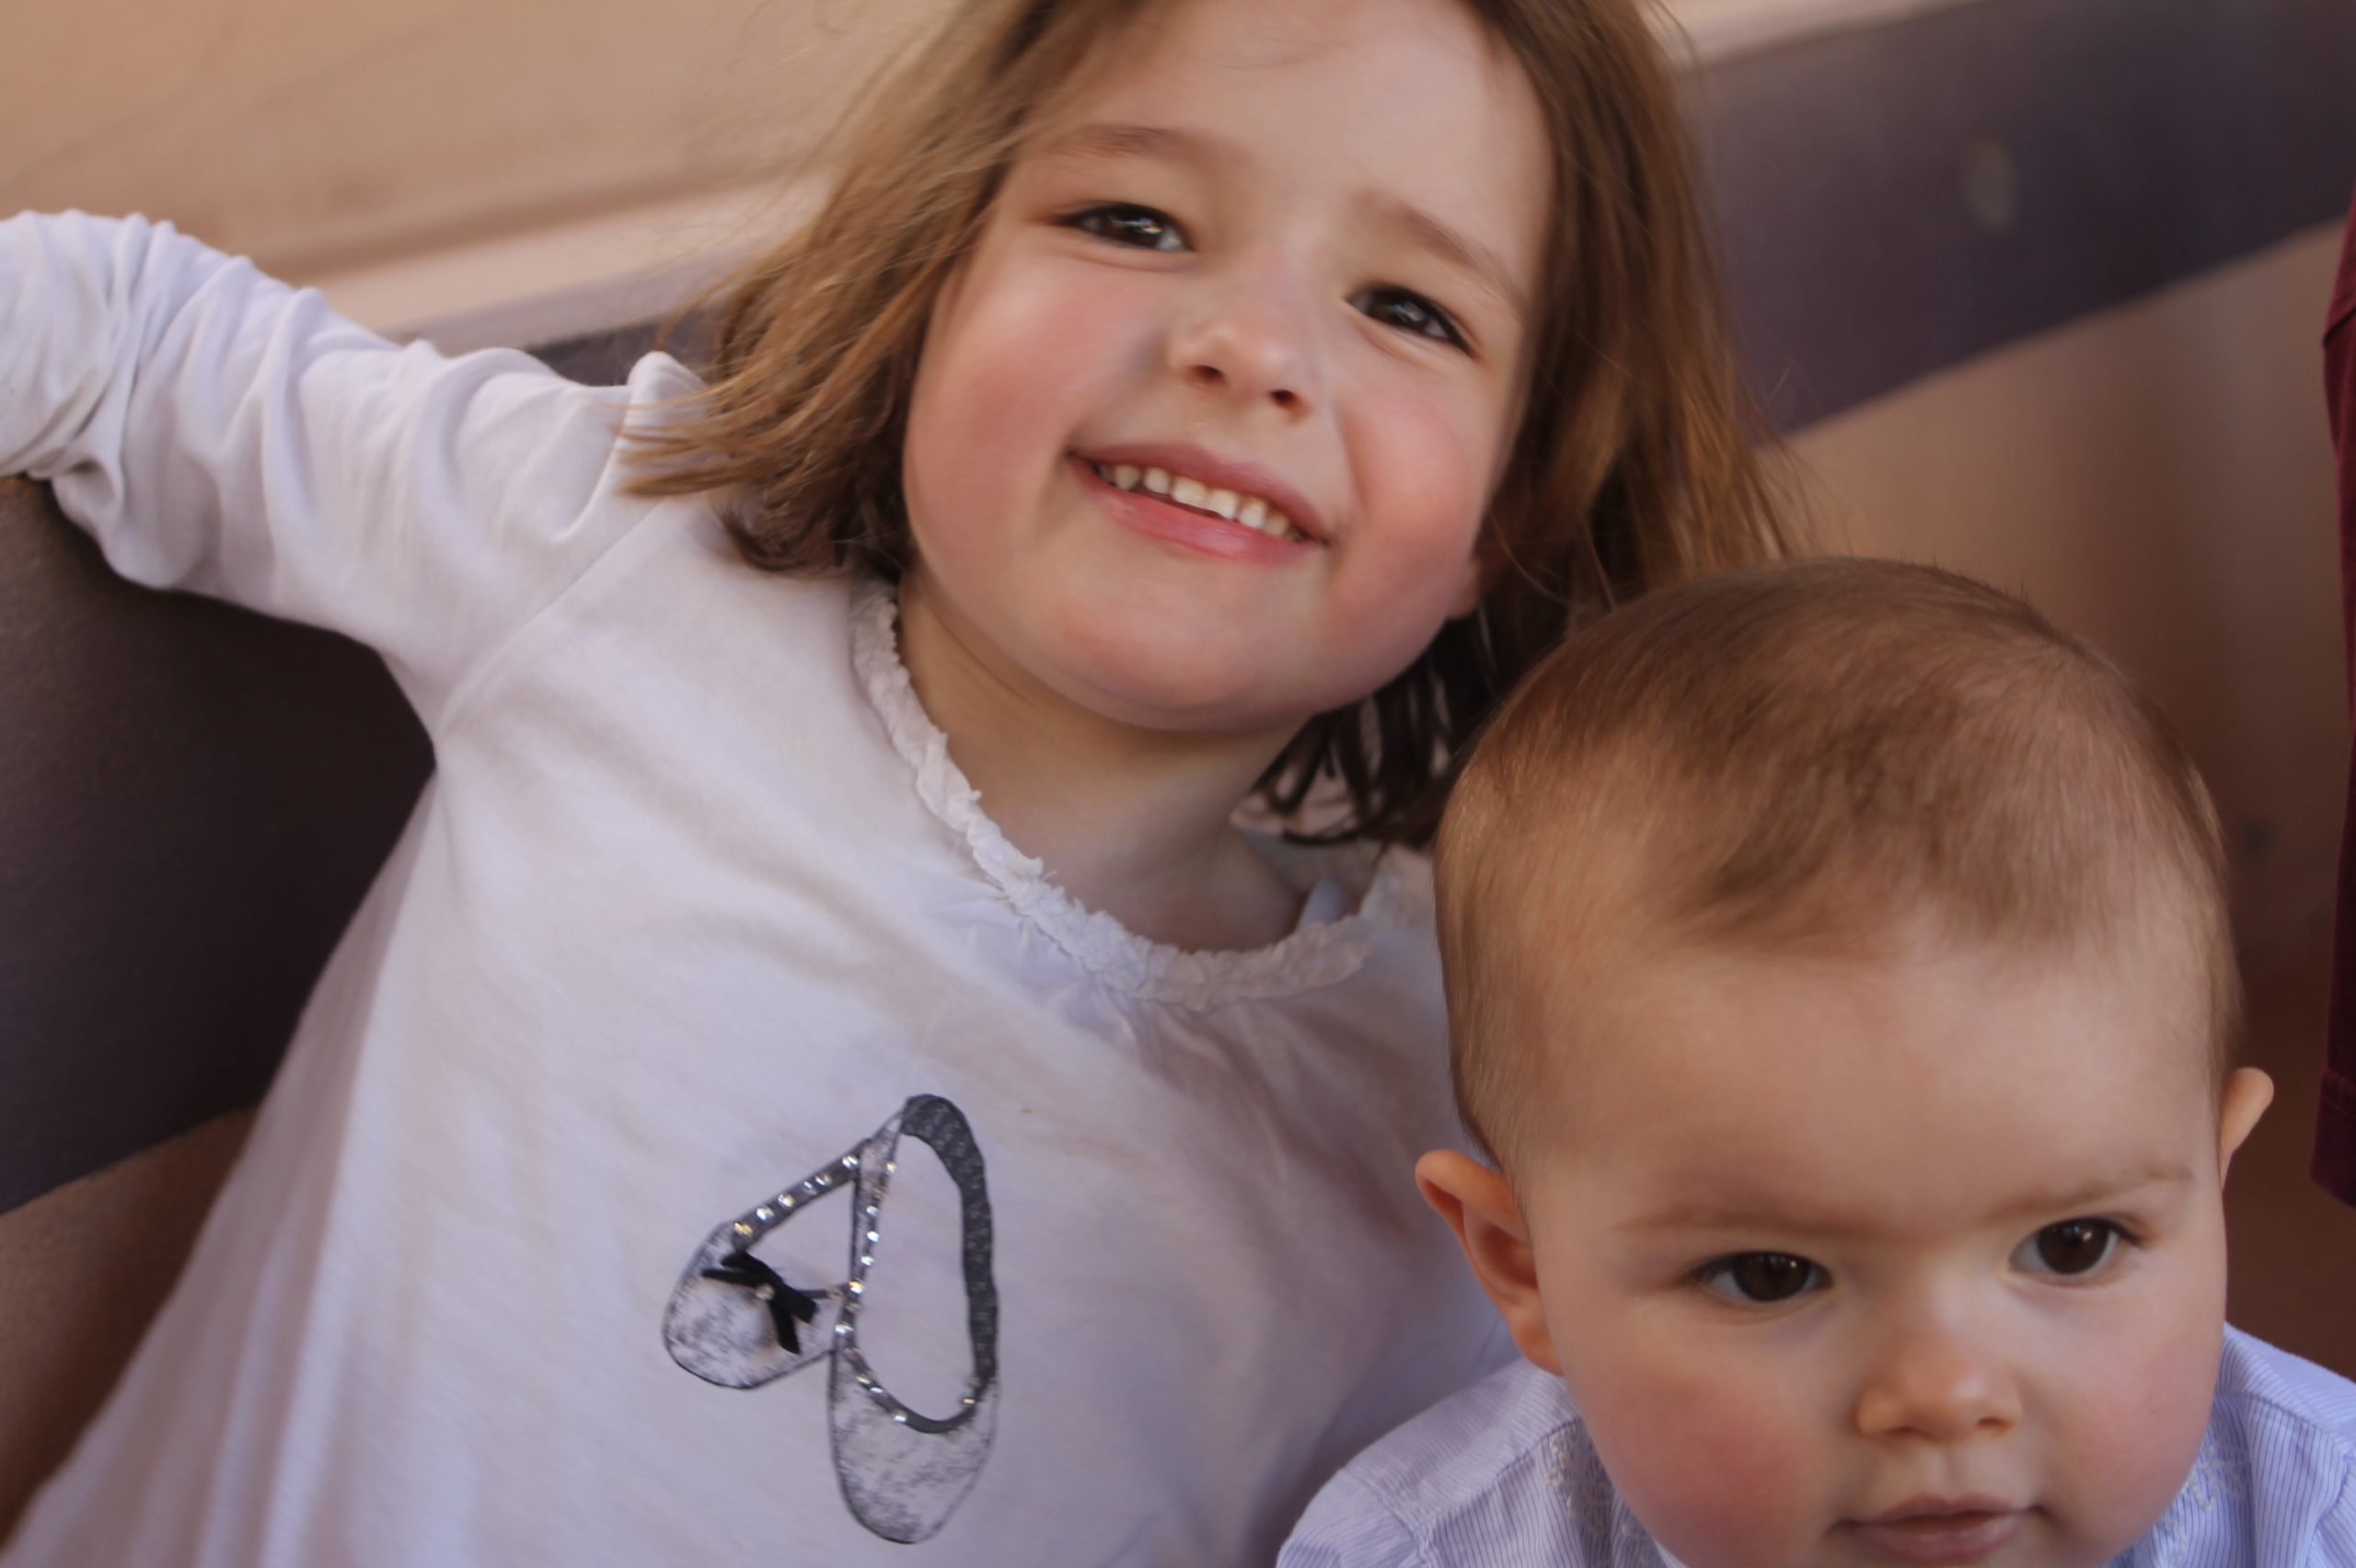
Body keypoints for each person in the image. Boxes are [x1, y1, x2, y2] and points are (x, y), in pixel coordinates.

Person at [0, 0, 1790, 1561]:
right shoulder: (619, 563)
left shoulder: (1455, 1094)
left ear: (1508, 514)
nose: (1248, 346)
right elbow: (132, 339)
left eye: (1408, 306)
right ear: (936, 279)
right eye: (1131, 218)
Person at [1280, 558, 2356, 1567]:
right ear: (1523, 1268)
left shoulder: (2316, 1509)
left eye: (2073, 1246)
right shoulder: (1429, 1548)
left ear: (2211, 1183)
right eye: (1770, 1275)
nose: (1944, 1395)